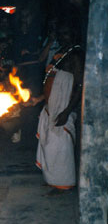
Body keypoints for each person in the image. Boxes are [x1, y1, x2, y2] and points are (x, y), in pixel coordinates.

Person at [28, 25, 83, 195]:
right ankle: (52, 180)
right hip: (50, 106)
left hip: (63, 108)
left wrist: (66, 111)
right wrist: (39, 99)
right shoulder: (60, 52)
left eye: (66, 33)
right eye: (60, 33)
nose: (62, 36)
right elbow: (52, 82)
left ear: (73, 35)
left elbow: (79, 86)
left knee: (61, 147)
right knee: (49, 145)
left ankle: (64, 183)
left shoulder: (75, 55)